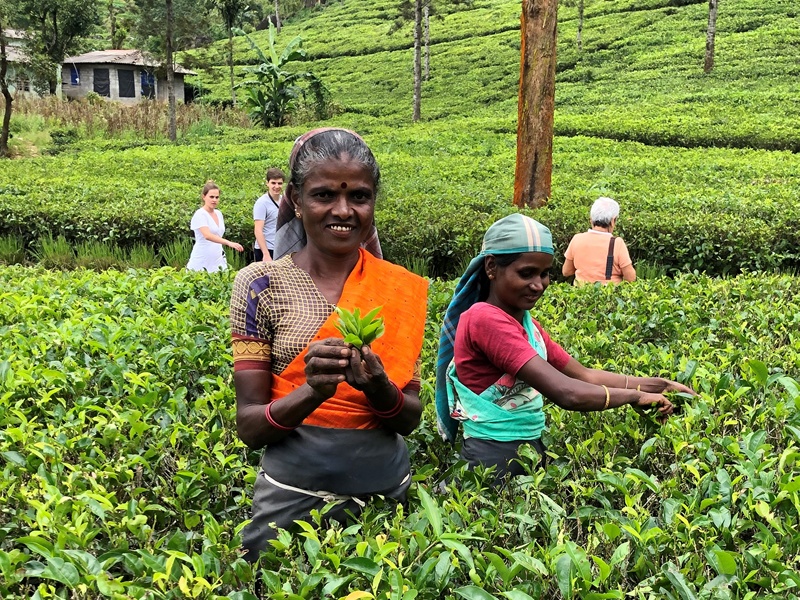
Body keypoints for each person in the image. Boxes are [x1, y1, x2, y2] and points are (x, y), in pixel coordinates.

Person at [229, 128, 428, 558]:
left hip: (383, 502)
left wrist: (377, 387)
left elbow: (408, 421)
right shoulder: (261, 284)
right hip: (289, 501)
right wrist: (313, 391)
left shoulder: (400, 289)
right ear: (296, 201)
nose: (344, 210)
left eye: (359, 196)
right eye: (323, 195)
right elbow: (249, 427)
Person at [435, 213, 694, 480]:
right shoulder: (484, 320)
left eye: (544, 274)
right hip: (491, 460)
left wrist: (659, 385)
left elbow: (584, 375)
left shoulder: (525, 324)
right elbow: (566, 392)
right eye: (526, 273)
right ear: (491, 267)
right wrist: (635, 397)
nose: (538, 285)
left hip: (525, 453)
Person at [562, 197, 636, 284]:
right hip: (609, 294)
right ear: (612, 221)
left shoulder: (577, 239)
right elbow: (631, 277)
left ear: (591, 220)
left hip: (581, 293)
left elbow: (566, 271)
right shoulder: (617, 243)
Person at [186, 180, 244, 272]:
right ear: (204, 197)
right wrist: (229, 243)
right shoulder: (200, 214)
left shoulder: (218, 213)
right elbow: (207, 235)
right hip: (202, 257)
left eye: (217, 197)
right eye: (211, 197)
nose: (214, 200)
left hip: (217, 257)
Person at [253, 168, 285, 263]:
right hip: (266, 249)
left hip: (280, 248)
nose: (276, 186)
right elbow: (258, 230)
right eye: (273, 183)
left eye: (279, 183)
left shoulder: (284, 200)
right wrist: (266, 254)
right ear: (267, 183)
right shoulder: (262, 203)